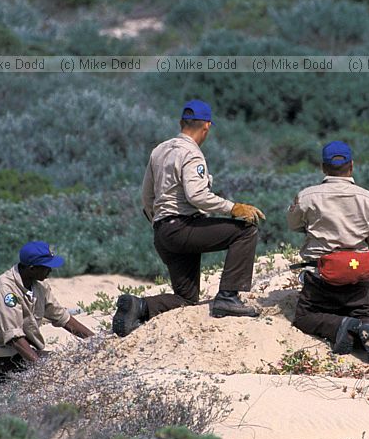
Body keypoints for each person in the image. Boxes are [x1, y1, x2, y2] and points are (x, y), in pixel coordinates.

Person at [112, 99, 265, 337]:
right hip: (183, 228)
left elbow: (146, 196)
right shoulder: (192, 154)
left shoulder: (159, 150)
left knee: (186, 298)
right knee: (245, 232)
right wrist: (233, 207)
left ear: (181, 123)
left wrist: (159, 222)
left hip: (163, 233)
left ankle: (139, 306)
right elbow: (197, 196)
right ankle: (228, 297)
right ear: (207, 126)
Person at [287, 141, 369, 363]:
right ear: (351, 166)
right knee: (363, 313)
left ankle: (340, 325)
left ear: (323, 167)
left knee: (304, 317)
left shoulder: (307, 196)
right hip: (356, 275)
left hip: (322, 277)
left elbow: (293, 224)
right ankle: (365, 328)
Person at [0, 241, 94, 388]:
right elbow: (14, 337)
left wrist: (95, 340)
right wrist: (41, 368)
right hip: (3, 356)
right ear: (32, 269)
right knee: (58, 374)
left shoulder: (39, 285)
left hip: (24, 353)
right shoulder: (6, 289)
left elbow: (61, 317)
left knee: (68, 361)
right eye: (46, 267)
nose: (50, 271)